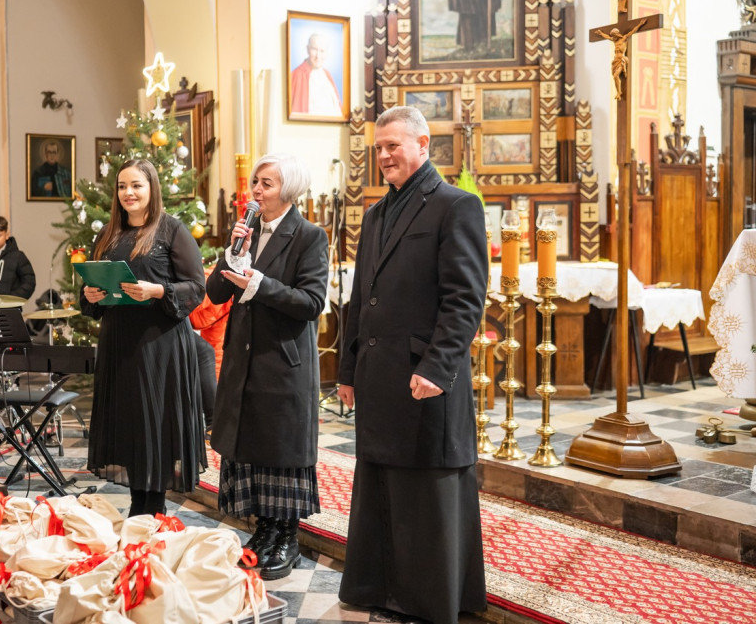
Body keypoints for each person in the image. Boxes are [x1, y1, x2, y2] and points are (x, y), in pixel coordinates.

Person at [337, 106, 488, 624]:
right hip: (379, 378)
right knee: (382, 484)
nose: (382, 156)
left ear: (423, 144)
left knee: (425, 490)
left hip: (424, 376)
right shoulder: (377, 214)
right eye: (377, 148)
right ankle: (380, 587)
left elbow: (465, 299)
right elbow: (362, 298)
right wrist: (346, 369)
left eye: (392, 146)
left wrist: (437, 366)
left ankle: (428, 599)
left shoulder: (455, 205)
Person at [207, 154, 329, 581]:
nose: (257, 191)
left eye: (267, 184)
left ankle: (287, 537)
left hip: (283, 363)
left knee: (280, 452)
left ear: (288, 190)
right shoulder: (247, 232)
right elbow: (216, 292)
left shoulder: (309, 236)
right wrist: (230, 254)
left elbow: (311, 303)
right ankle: (262, 532)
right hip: (244, 361)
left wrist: (259, 285)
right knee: (251, 449)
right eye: (256, 183)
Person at [79, 158, 206, 517]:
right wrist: (90, 296)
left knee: (156, 422)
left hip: (160, 343)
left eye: (136, 185)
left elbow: (197, 287)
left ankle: (156, 507)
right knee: (130, 422)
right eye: (122, 186)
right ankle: (139, 504)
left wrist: (156, 291)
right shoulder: (108, 234)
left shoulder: (171, 230)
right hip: (119, 343)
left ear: (152, 188)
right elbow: (93, 288)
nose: (128, 193)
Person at [289, 33, 342, 117]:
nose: (318, 56)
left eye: (322, 51)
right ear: (307, 49)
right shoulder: (297, 74)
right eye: (314, 49)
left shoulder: (327, 74)